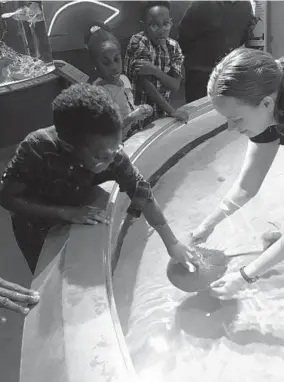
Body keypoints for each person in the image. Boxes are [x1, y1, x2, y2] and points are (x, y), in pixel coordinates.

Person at [0, 84, 196, 275]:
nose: (113, 160)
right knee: (45, 274)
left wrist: (172, 243)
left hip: (74, 199)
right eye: (102, 157)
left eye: (117, 147)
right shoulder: (37, 148)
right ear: (69, 147)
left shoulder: (109, 152)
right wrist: (65, 212)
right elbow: (7, 198)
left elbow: (141, 191)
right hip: (35, 224)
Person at [189, 47, 284, 300]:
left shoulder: (265, 104)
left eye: (236, 119)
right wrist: (208, 224)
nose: (231, 128)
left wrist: (245, 276)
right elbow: (247, 185)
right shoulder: (266, 101)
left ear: (266, 104)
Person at [124, 1, 189, 127]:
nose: (161, 30)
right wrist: (172, 111)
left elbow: (175, 85)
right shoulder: (139, 41)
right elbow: (146, 85)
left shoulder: (174, 47)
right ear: (144, 26)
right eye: (154, 25)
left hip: (161, 114)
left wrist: (154, 71)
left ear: (171, 22)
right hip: (138, 114)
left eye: (165, 24)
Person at [86, 22, 153, 141]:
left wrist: (142, 110)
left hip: (134, 135)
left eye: (116, 60)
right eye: (106, 63)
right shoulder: (98, 91)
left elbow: (128, 108)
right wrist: (132, 116)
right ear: (95, 65)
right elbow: (107, 129)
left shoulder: (124, 79)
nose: (113, 67)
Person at [178, 1, 256, 103]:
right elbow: (182, 38)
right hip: (200, 75)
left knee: (224, 112)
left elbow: (245, 35)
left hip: (228, 72)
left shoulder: (245, 6)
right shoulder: (200, 5)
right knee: (200, 111)